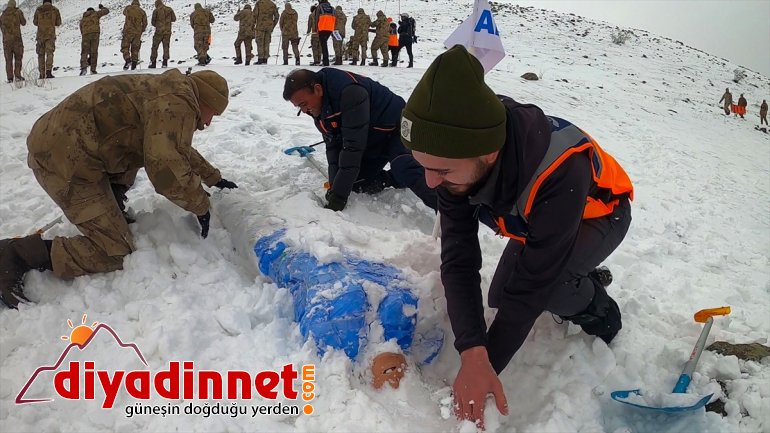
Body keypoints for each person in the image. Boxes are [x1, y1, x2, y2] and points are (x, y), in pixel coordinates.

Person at [400, 46, 633, 427]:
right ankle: (579, 272)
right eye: (422, 166)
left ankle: (603, 312)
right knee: (499, 298)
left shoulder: (560, 169)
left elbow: (531, 289)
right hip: (540, 223)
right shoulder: (456, 150)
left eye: (441, 171)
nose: (430, 182)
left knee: (551, 288)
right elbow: (458, 261)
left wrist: (486, 366)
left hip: (601, 214)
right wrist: (472, 350)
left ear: (489, 154)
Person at [0, 70, 239, 309]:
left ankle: (109, 205)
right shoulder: (177, 104)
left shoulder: (172, 92)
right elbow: (165, 168)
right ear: (204, 101)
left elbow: (175, 146)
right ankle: (15, 255)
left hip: (69, 144)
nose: (209, 123)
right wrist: (200, 204)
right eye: (213, 114)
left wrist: (213, 178)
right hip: (62, 160)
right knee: (114, 251)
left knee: (141, 149)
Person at [283, 68, 438, 212]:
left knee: (404, 167)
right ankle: (393, 179)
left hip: (398, 127)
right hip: (372, 136)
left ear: (317, 89)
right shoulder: (317, 106)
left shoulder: (350, 92)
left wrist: (338, 198)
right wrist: (335, 185)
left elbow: (353, 148)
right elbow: (333, 146)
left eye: (303, 104)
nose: (304, 110)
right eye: (299, 107)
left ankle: (447, 209)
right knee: (353, 183)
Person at [33, 0, 61, 79]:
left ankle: (41, 74)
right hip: (50, 35)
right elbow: (58, 23)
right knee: (50, 53)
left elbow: (35, 22)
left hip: (40, 36)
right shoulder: (55, 10)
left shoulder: (38, 10)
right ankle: (48, 71)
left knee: (40, 54)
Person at [79, 4, 109, 76]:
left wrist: (84, 34)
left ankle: (83, 68)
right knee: (94, 52)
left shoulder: (83, 19)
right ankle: (93, 70)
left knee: (84, 52)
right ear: (92, 10)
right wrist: (101, 7)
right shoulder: (96, 14)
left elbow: (81, 29)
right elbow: (106, 11)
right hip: (95, 34)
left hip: (85, 35)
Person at [0, 0, 26, 83]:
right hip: (17, 40)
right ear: (14, 5)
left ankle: (10, 78)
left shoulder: (2, 15)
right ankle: (17, 76)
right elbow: (24, 23)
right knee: (18, 58)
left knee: (8, 60)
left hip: (6, 42)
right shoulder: (18, 12)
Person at [149, 0, 176, 69]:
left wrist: (158, 25)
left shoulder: (156, 11)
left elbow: (153, 22)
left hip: (159, 32)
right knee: (166, 47)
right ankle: (165, 62)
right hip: (167, 32)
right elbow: (174, 19)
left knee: (155, 47)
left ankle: (153, 63)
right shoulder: (169, 9)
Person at [121, 0, 147, 71]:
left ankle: (127, 59)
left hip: (128, 31)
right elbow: (145, 23)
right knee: (135, 48)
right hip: (137, 33)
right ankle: (134, 65)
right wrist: (142, 30)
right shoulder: (142, 11)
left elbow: (124, 13)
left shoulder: (128, 8)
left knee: (125, 47)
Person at [254, 0, 279, 65]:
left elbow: (255, 15)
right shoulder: (272, 4)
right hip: (269, 27)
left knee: (260, 43)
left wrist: (253, 24)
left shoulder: (259, 3)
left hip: (260, 26)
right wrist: (273, 25)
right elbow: (276, 16)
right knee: (267, 43)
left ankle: (260, 59)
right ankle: (265, 59)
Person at [314, 0, 335, 66]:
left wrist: (316, 28)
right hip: (330, 28)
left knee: (323, 45)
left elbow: (316, 18)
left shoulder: (319, 7)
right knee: (324, 44)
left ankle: (326, 62)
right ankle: (325, 61)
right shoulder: (332, 8)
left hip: (322, 28)